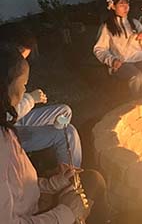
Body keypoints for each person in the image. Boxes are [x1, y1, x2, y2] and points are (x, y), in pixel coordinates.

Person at [0, 43, 111, 224]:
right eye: (23, 84)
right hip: (37, 216)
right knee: (91, 187)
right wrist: (65, 212)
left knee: (92, 179)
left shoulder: (5, 130)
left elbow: (20, 184)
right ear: (5, 87)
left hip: (36, 204)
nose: (24, 91)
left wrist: (53, 184)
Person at [0, 28, 82, 167]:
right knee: (67, 132)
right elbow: (6, 116)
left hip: (17, 118)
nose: (21, 63)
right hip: (9, 132)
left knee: (64, 111)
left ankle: (51, 148)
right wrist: (30, 99)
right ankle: (70, 182)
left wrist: (26, 97)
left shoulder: (7, 70)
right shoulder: (5, 73)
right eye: (20, 57)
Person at [93, 0, 142, 99]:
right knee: (138, 78)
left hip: (139, 58)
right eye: (121, 4)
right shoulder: (107, 26)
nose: (126, 7)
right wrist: (112, 60)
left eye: (127, 4)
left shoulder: (135, 23)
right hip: (121, 62)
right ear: (113, 7)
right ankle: (138, 106)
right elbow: (99, 49)